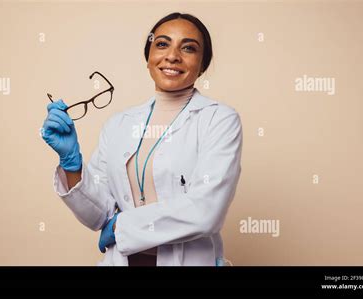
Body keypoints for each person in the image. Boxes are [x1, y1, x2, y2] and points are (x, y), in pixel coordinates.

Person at [42, 12, 243, 266]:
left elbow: (206, 211)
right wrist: (72, 165)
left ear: (202, 64)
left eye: (189, 48)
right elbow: (97, 215)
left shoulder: (219, 120)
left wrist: (119, 227)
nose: (172, 55)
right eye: (162, 44)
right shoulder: (119, 124)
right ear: (148, 56)